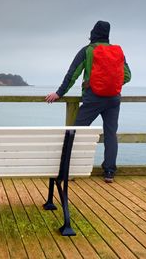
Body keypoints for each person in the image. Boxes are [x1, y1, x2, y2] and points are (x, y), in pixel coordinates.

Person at [45, 20, 131, 183]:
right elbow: (127, 76)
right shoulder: (118, 52)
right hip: (113, 99)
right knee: (111, 134)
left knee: (75, 133)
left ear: (93, 33)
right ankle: (109, 172)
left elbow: (72, 75)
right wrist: (110, 84)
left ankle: (67, 170)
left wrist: (59, 93)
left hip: (93, 99)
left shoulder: (87, 51)